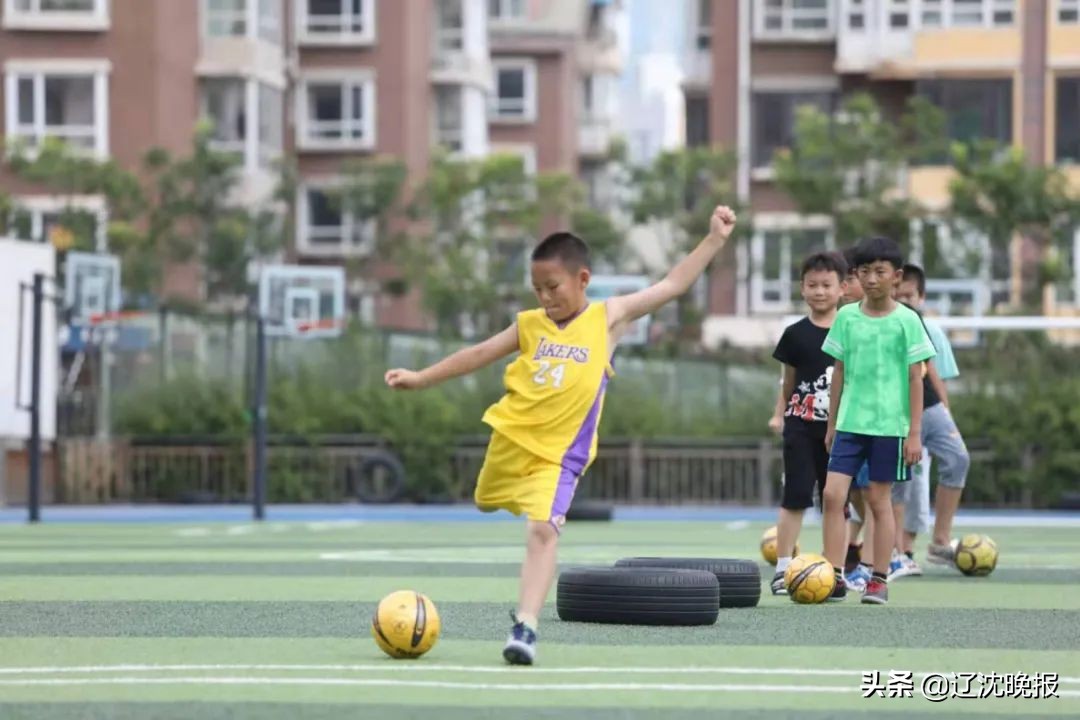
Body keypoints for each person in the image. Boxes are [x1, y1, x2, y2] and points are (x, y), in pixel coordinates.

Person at [385, 206, 738, 664]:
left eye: (553, 287)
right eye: (537, 289)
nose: (546, 297)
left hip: (559, 457)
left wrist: (713, 239)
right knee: (484, 500)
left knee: (543, 531)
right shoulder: (529, 324)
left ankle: (525, 627)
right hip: (509, 441)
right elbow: (478, 353)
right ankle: (520, 516)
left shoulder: (609, 317)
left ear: (582, 279)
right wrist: (421, 378)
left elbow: (671, 285)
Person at [821, 236, 936, 604]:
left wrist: (914, 433)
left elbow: (915, 379)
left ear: (896, 277)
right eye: (864, 272)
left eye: (879, 272)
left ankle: (879, 578)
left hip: (890, 428)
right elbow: (838, 371)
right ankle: (833, 574)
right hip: (851, 424)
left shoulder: (908, 321)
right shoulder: (846, 317)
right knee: (832, 494)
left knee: (878, 500)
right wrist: (831, 422)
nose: (871, 279)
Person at [768, 252, 847, 596]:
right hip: (800, 425)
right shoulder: (794, 335)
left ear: (842, 288)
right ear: (802, 289)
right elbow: (788, 381)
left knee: (836, 501)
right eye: (812, 285)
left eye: (826, 285)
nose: (819, 291)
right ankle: (783, 567)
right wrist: (780, 412)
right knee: (796, 496)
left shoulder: (851, 331)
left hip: (840, 430)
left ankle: (836, 571)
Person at [891, 263, 971, 575]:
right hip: (895, 410)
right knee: (899, 481)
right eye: (900, 293)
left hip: (928, 404)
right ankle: (896, 552)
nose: (904, 299)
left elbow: (930, 369)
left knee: (958, 458)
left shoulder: (920, 323)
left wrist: (946, 410)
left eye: (910, 294)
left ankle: (940, 541)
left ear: (921, 297)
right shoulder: (878, 320)